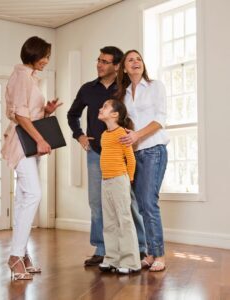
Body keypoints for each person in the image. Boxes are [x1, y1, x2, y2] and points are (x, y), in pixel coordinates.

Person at [67, 47, 147, 267]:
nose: (99, 64)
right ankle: (102, 249)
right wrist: (80, 136)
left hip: (120, 152)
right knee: (96, 202)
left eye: (105, 61)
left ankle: (140, 247)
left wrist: (133, 136)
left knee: (128, 201)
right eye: (98, 60)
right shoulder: (87, 89)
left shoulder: (125, 87)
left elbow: (134, 114)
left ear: (116, 66)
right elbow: (72, 114)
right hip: (95, 153)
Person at [1, 36, 62, 280]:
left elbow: (30, 113)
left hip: (29, 144)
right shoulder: (21, 76)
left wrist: (45, 111)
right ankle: (15, 256)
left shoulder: (30, 77)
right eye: (45, 56)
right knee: (34, 194)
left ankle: (22, 254)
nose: (47, 61)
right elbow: (20, 115)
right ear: (34, 55)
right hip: (24, 143)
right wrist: (39, 139)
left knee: (24, 197)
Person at [116, 49, 169, 272]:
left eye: (138, 59)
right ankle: (148, 253)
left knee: (148, 203)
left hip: (154, 149)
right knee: (138, 205)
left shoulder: (155, 86)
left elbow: (160, 119)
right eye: (130, 60)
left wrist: (137, 135)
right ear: (125, 68)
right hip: (134, 154)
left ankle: (160, 255)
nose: (136, 62)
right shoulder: (124, 95)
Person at [98, 99, 141, 274]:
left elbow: (130, 159)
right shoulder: (104, 135)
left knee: (124, 220)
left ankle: (131, 262)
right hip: (105, 180)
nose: (101, 108)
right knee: (109, 221)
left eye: (105, 107)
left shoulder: (121, 133)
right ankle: (112, 259)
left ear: (115, 114)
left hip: (119, 180)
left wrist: (128, 179)